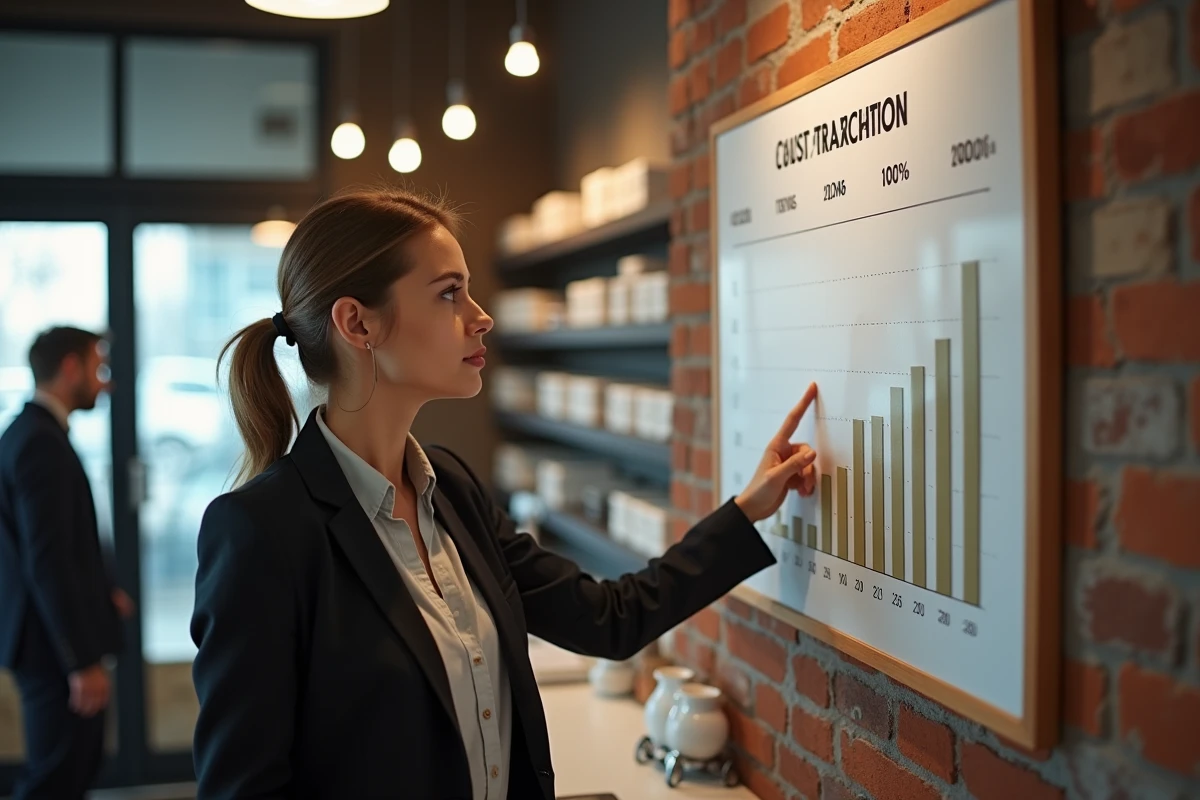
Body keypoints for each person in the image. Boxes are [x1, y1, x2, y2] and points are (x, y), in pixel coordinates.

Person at [191, 188, 819, 799]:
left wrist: (748, 510)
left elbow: (610, 618)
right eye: (449, 293)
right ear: (358, 323)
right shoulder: (261, 532)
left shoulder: (453, 489)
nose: (481, 316)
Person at [0, 326, 134, 800]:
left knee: (71, 770)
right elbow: (47, 559)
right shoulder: (38, 441)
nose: (106, 383)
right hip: (51, 649)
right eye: (98, 369)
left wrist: (103, 592)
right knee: (59, 777)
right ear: (70, 367)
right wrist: (80, 662)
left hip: (47, 640)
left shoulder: (36, 432)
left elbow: (56, 543)